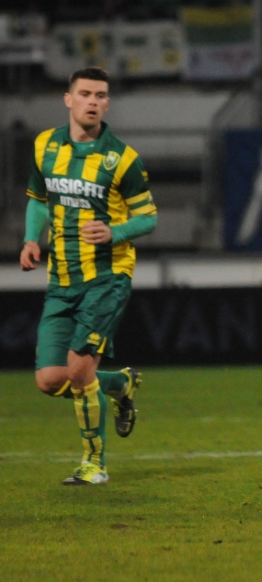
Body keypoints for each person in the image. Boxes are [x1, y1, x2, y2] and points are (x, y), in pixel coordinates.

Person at [19, 67, 158, 485]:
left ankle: (93, 464)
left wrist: (114, 232)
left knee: (79, 372)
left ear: (107, 103)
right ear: (68, 99)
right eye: (85, 94)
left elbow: (148, 217)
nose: (93, 101)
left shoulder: (122, 158)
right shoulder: (45, 145)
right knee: (49, 380)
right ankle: (119, 384)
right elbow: (39, 198)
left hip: (107, 277)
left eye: (100, 95)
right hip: (62, 278)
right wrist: (31, 239)